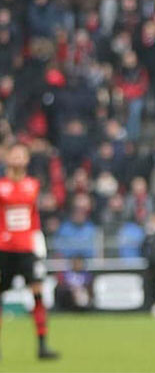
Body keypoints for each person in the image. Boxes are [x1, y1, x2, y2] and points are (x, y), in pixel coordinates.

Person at [0, 143, 59, 360]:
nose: (17, 157)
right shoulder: (1, 185)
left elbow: (34, 216)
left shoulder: (33, 185)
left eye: (21, 154)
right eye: (13, 153)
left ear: (27, 159)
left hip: (26, 248)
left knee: (37, 293)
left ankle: (42, 345)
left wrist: (38, 240)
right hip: (3, 248)